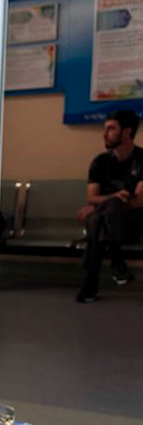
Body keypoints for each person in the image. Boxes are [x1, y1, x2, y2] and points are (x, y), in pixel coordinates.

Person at [77, 110, 143, 303]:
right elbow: (91, 196)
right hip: (106, 225)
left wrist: (102, 205)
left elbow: (139, 201)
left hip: (131, 224)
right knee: (100, 217)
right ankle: (117, 262)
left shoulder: (142, 159)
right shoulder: (100, 162)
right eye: (105, 129)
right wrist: (113, 198)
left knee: (97, 217)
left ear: (127, 132)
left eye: (111, 129)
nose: (105, 134)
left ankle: (91, 283)